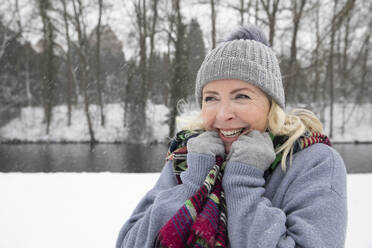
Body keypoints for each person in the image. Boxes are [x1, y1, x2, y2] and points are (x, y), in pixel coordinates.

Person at [116, 25, 347, 248]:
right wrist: (193, 185)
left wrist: (241, 183)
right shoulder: (189, 158)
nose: (224, 114)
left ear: (271, 104)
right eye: (211, 98)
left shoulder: (315, 163)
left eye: (242, 96)